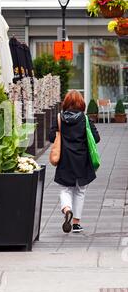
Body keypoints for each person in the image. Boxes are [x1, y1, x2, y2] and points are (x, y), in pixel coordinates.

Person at [49, 90, 100, 234]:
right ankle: (76, 223)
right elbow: (96, 138)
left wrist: (61, 133)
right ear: (81, 103)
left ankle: (67, 209)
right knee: (80, 190)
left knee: (65, 189)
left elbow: (51, 137)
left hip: (65, 159)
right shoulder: (85, 119)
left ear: (66, 103)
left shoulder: (59, 118)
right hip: (82, 159)